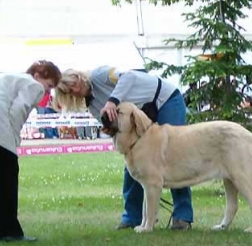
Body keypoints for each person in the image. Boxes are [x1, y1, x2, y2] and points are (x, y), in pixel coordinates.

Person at [54, 66, 194, 230]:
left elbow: (129, 76)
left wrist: (112, 101)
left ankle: (182, 216)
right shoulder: (92, 105)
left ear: (79, 76)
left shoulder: (101, 75)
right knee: (133, 163)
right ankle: (132, 217)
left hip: (165, 101)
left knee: (172, 157)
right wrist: (109, 129)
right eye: (70, 92)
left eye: (74, 84)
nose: (76, 90)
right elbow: (111, 124)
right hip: (140, 117)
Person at [0, 60, 62, 242]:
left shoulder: (9, 78)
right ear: (38, 75)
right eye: (49, 86)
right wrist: (13, 141)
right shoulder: (33, 85)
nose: (48, 92)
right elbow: (18, 110)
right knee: (7, 176)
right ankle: (9, 231)